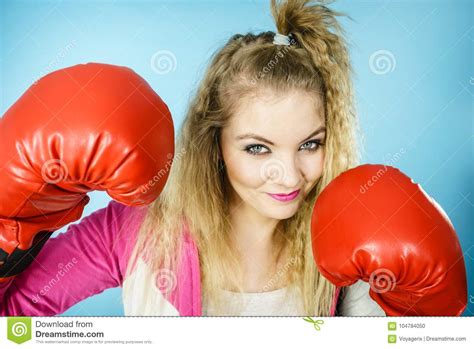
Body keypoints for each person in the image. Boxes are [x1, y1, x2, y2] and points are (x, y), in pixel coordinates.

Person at [0, 0, 466, 317]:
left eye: (310, 144)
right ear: (214, 143)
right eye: (257, 147)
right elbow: (12, 318)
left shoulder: (357, 243)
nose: (288, 174)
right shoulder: (138, 231)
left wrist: (419, 319)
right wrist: (11, 224)